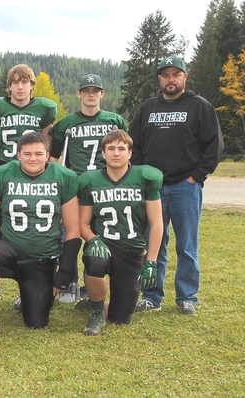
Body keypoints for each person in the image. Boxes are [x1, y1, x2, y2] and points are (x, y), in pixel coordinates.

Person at [129, 56, 224, 315]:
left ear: (185, 77)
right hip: (153, 190)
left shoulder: (200, 106)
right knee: (154, 244)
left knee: (187, 246)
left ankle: (187, 297)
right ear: (160, 78)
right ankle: (151, 296)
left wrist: (196, 177)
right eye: (166, 74)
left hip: (185, 187)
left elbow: (213, 147)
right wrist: (141, 175)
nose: (171, 79)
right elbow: (133, 145)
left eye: (176, 74)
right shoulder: (147, 108)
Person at [0, 132, 80, 342]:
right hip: (10, 248)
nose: (33, 158)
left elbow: (73, 231)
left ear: (47, 155)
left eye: (39, 153)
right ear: (18, 155)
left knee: (37, 323)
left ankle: (30, 297)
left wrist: (64, 272)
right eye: (27, 154)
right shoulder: (4, 174)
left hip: (42, 257)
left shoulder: (64, 177)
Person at [48, 74, 127, 304]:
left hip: (103, 188)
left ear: (102, 93)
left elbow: (123, 155)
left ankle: (91, 283)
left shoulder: (115, 121)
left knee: (99, 236)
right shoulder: (67, 124)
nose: (91, 94)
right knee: (69, 236)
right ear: (79, 94)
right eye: (86, 90)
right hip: (75, 188)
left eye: (95, 90)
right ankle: (68, 281)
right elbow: (54, 158)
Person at [76, 130, 163, 335]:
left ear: (130, 153)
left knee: (120, 318)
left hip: (132, 251)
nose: (116, 153)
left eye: (121, 149)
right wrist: (92, 240)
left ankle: (97, 302)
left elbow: (157, 222)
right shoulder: (91, 180)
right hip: (104, 245)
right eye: (111, 149)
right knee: (94, 259)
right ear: (103, 154)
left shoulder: (145, 177)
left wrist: (151, 260)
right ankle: (97, 311)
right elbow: (82, 223)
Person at [0, 64, 57, 240]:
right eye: (15, 83)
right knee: (0, 223)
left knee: (32, 219)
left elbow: (47, 148)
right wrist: (4, 170)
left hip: (34, 177)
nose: (20, 87)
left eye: (24, 82)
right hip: (5, 175)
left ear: (32, 85)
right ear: (9, 86)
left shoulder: (43, 108)